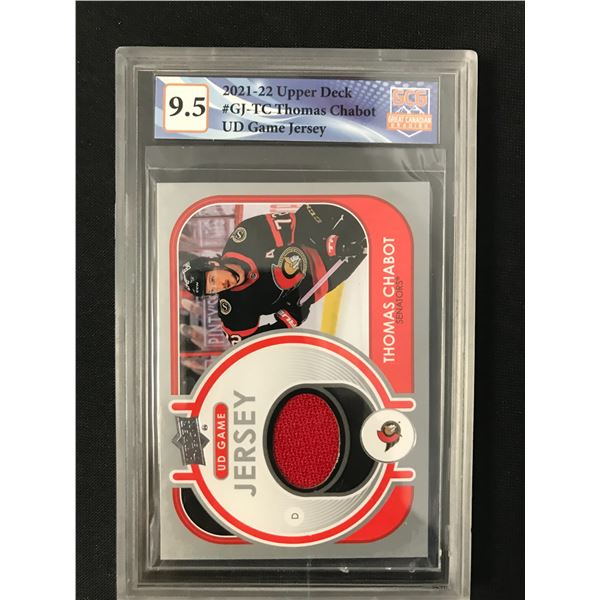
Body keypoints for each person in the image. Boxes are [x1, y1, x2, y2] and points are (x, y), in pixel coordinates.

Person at [181, 203, 367, 344]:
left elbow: (298, 223)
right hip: (322, 275)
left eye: (213, 279)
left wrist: (328, 241)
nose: (219, 286)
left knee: (356, 207)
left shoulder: (245, 237)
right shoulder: (232, 310)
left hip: (317, 237)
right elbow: (247, 346)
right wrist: (284, 323)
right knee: (371, 239)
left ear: (213, 263)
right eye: (212, 289)